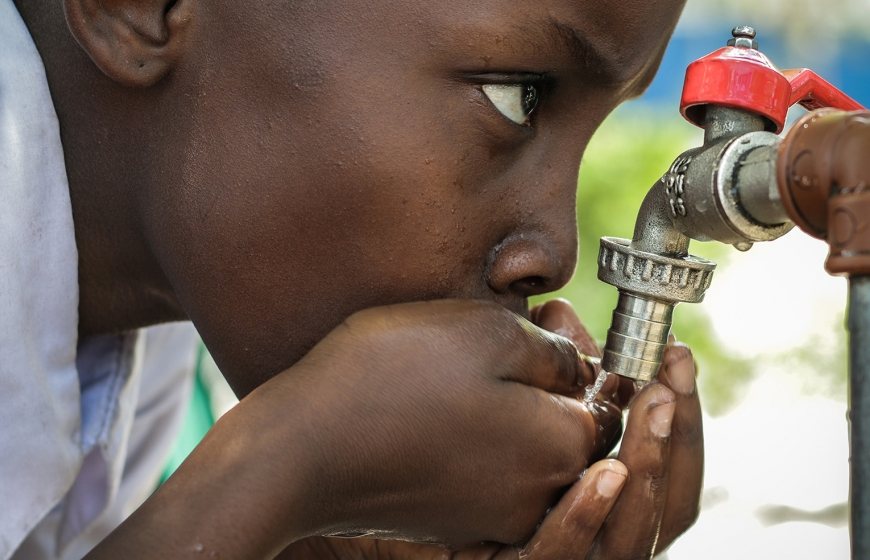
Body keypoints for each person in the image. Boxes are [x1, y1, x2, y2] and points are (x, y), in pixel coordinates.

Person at [1, 0, 703, 558]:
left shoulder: (142, 344)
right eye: (517, 95)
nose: (554, 251)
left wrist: (291, 533)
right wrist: (283, 467)